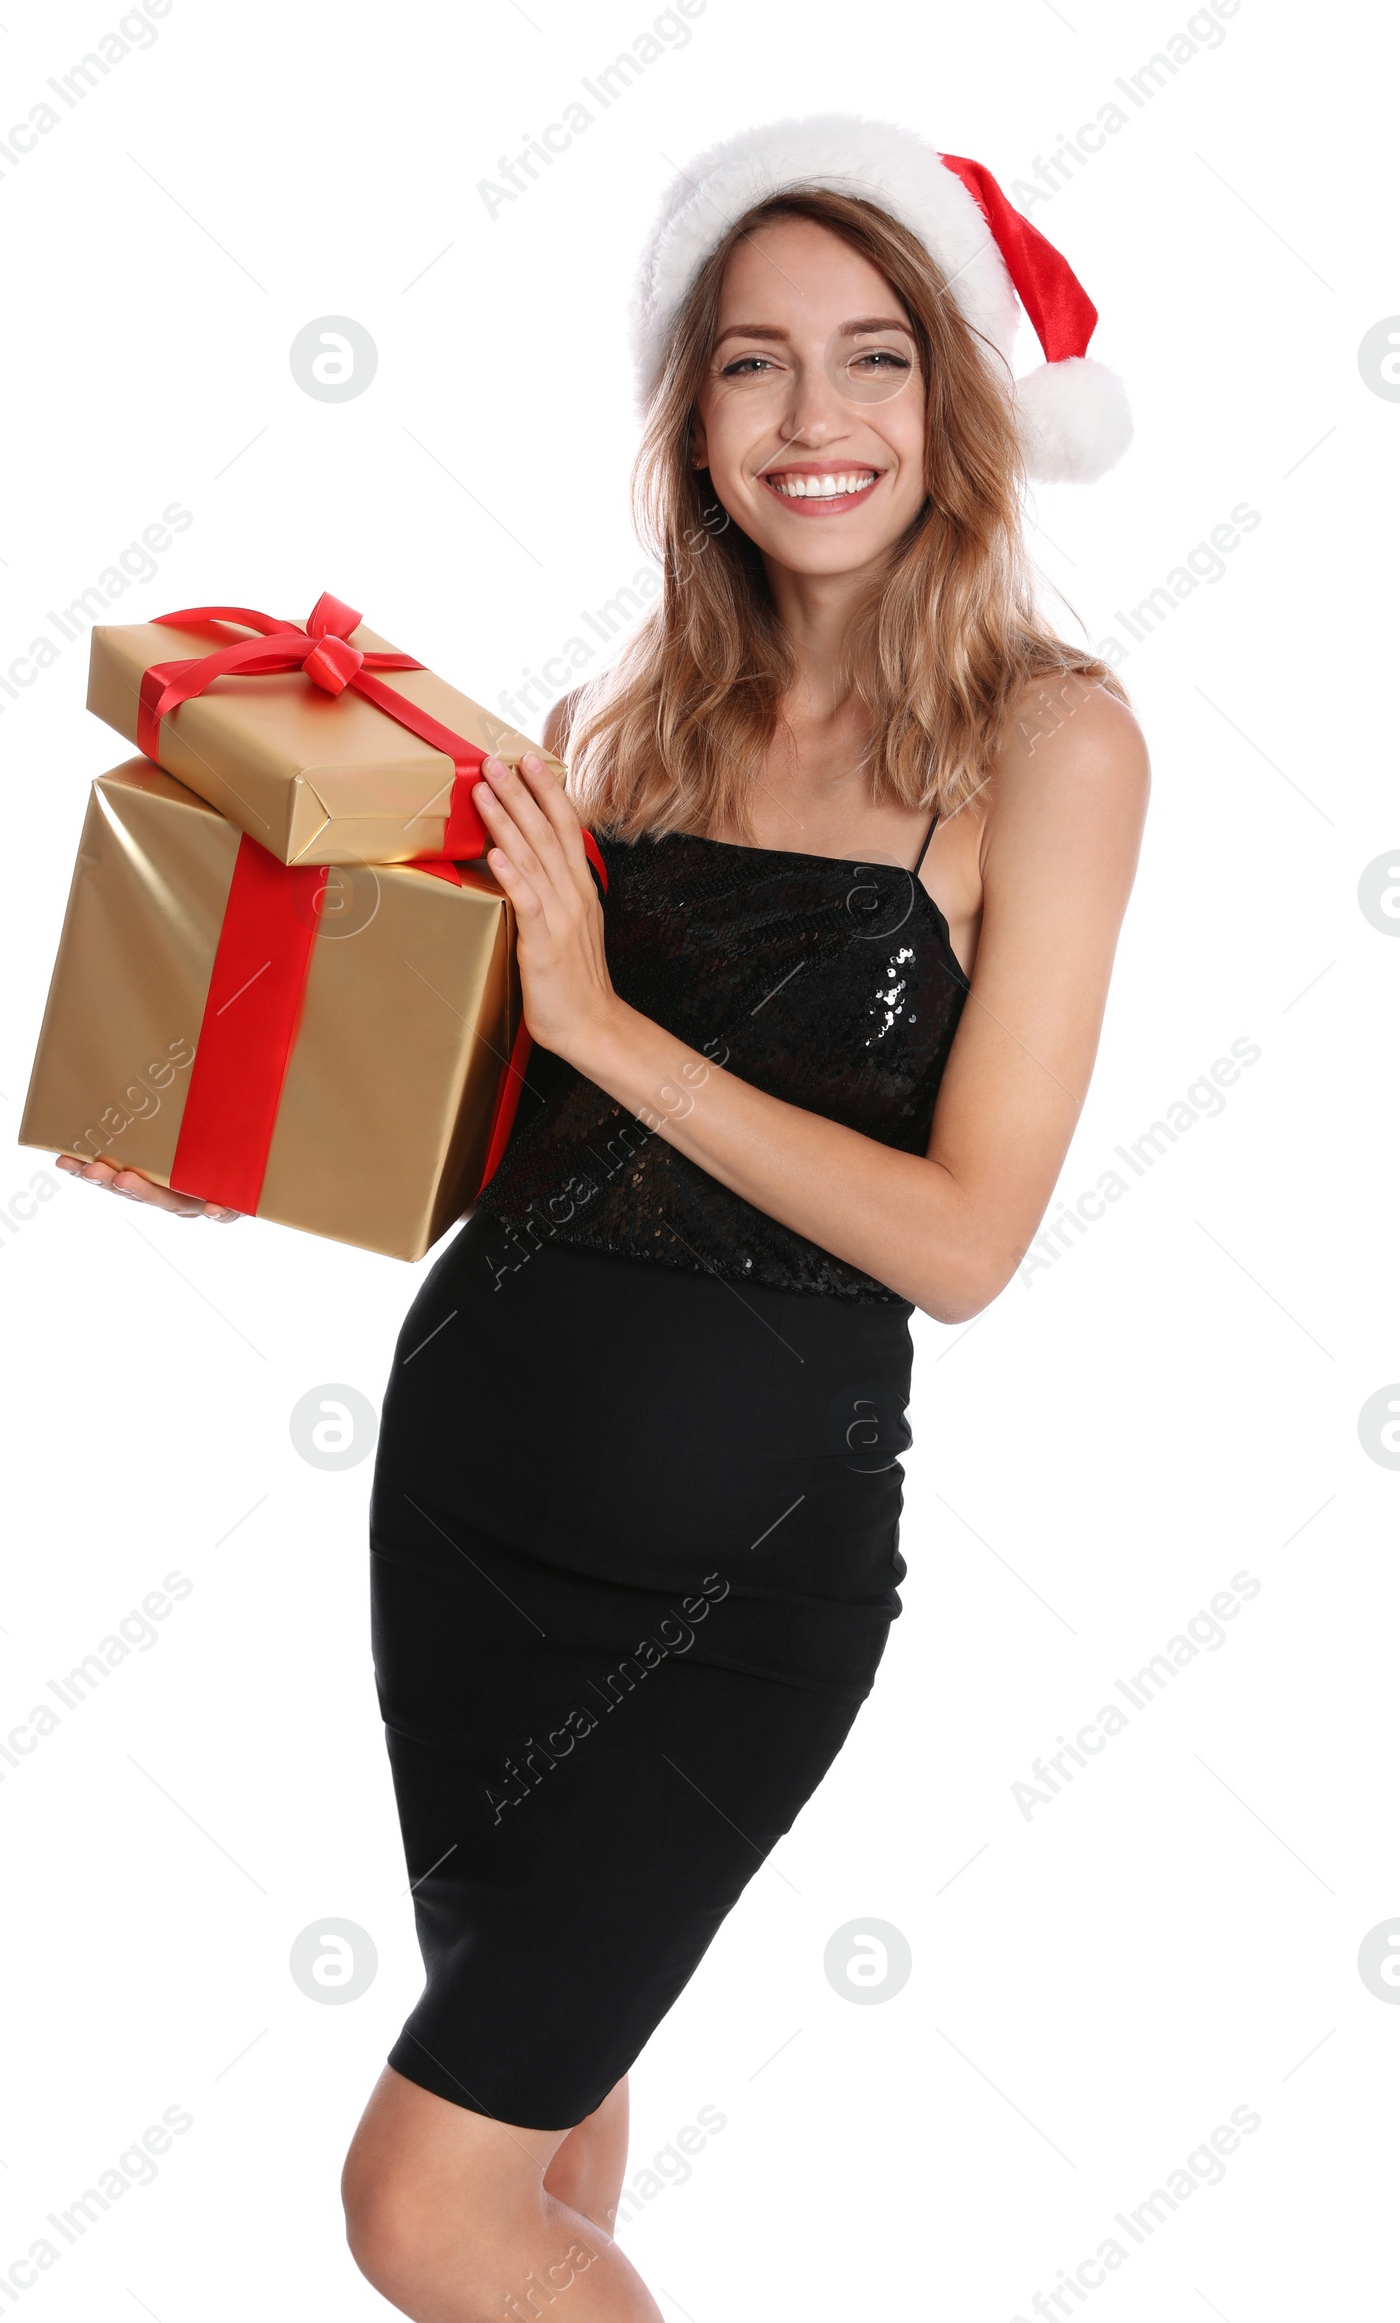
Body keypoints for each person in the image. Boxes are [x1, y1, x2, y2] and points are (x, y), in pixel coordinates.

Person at [59, 117, 1149, 2323]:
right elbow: (522, 1134)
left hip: (734, 1596)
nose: (812, 419)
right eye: (751, 364)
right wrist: (227, 1142)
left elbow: (962, 1242)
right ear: (693, 413)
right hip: (465, 1524)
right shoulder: (617, 725)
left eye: (869, 357)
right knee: (546, 2147)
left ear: (954, 396)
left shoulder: (1053, 745)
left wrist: (607, 1019)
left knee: (419, 2210)